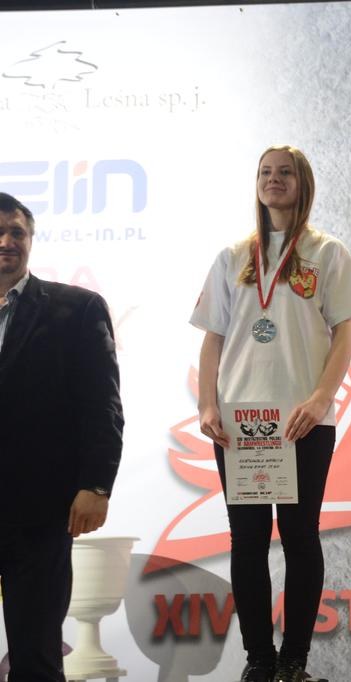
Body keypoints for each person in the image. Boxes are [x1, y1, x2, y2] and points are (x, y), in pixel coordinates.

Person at [191, 146, 351, 682]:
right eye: (265, 172)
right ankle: (259, 661)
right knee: (245, 539)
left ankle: (294, 662)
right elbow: (212, 338)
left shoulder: (326, 252)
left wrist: (320, 399)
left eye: (284, 172)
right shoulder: (233, 256)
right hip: (240, 424)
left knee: (299, 535)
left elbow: (345, 331)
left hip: (303, 420)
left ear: (302, 182)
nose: (273, 180)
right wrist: (206, 403)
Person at [0, 192, 123, 681]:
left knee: (35, 656)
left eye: (16, 232)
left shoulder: (77, 309)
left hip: (38, 511)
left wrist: (96, 484)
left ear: (30, 240)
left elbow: (102, 404)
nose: (6, 241)